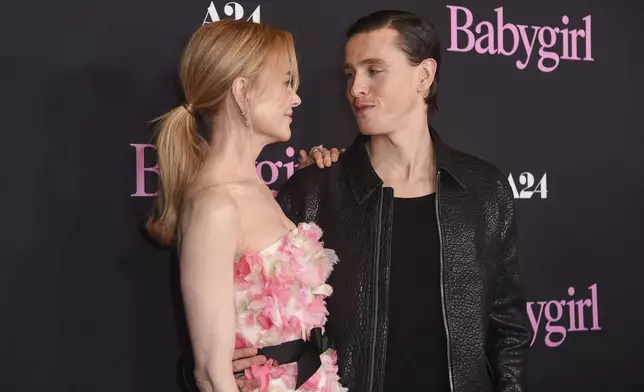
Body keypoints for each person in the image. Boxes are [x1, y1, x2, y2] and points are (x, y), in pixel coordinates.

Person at [233, 9, 532, 392]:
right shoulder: (314, 192)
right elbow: (254, 316)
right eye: (350, 74)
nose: (356, 88)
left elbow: (507, 327)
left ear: (424, 76)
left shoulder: (484, 189)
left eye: (374, 70)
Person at [145, 20, 347, 392]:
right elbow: (211, 375)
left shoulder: (256, 187)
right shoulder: (216, 205)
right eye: (286, 82)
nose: (296, 97)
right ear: (242, 92)